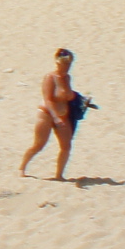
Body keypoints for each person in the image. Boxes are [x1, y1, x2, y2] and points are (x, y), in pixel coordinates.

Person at [21, 48, 80, 179]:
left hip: (63, 115)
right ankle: (22, 167)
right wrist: (55, 117)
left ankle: (59, 175)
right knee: (39, 144)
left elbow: (68, 96)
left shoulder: (67, 78)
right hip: (47, 114)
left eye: (69, 64)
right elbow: (48, 99)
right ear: (57, 63)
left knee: (66, 146)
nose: (67, 67)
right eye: (64, 64)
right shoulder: (50, 77)